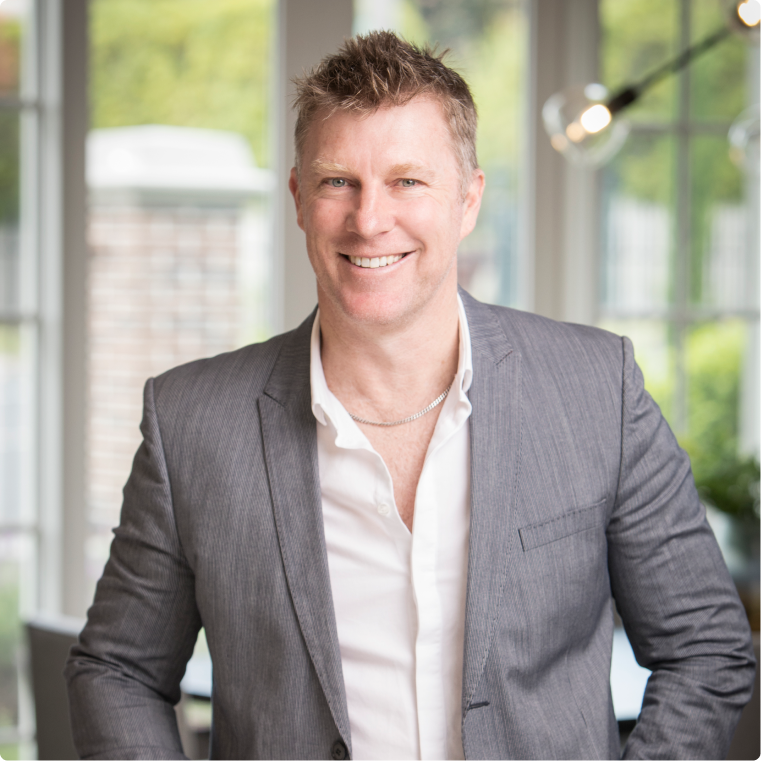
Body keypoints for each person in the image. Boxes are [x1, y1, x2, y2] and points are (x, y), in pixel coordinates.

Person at [66, 31, 755, 761]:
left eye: (407, 182)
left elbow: (705, 648)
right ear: (298, 199)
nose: (369, 220)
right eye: (338, 181)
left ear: (468, 199)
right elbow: (117, 669)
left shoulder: (595, 390)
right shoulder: (192, 423)